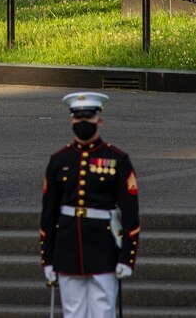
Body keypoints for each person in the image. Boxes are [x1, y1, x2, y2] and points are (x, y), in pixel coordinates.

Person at [39, 92, 140, 318]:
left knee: (103, 311)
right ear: (71, 120)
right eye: (78, 118)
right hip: (68, 247)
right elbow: (48, 214)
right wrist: (47, 258)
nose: (83, 123)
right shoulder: (59, 160)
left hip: (102, 248)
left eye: (88, 117)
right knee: (73, 312)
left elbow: (131, 213)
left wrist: (127, 257)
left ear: (99, 120)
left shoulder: (117, 159)